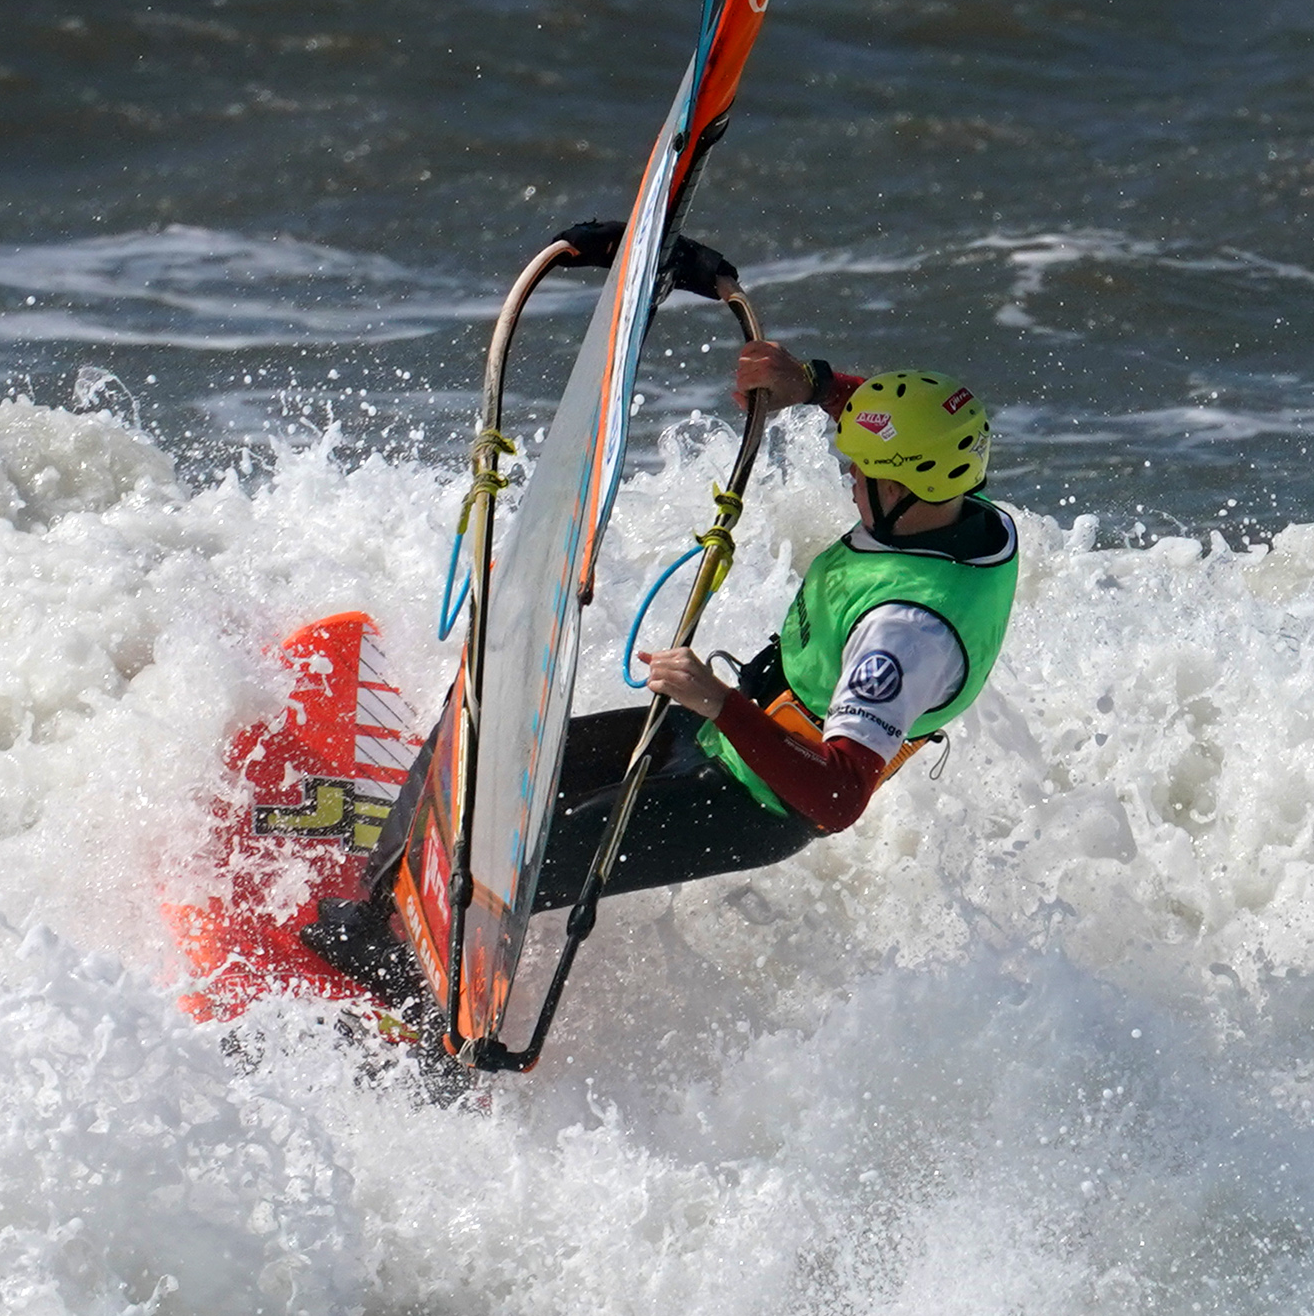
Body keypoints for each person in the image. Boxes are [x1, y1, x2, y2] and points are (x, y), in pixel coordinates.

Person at [304, 328, 1019, 1006]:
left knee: (515, 869)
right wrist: (812, 385)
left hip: (756, 801)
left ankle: (406, 1002)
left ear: (901, 488)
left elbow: (837, 797)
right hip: (723, 735)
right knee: (500, 763)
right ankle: (380, 909)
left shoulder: (905, 634)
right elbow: (909, 434)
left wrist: (717, 701)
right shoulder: (955, 507)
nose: (851, 480)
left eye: (860, 472)